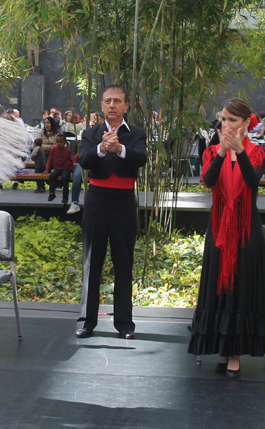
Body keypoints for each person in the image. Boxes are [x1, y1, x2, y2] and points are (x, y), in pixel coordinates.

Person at [188, 98, 265, 379]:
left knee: (241, 289)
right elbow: (209, 181)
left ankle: (235, 354)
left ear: (246, 124)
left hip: (247, 230)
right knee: (219, 288)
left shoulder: (258, 152)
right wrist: (224, 152)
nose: (226, 125)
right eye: (223, 119)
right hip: (219, 230)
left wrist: (240, 152)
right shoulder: (212, 151)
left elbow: (252, 180)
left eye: (232, 120)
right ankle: (224, 350)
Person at [76, 85, 147, 339]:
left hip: (124, 200)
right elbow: (84, 161)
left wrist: (120, 149)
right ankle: (87, 321)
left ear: (127, 106)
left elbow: (141, 158)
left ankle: (125, 324)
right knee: (92, 261)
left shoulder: (137, 133)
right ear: (102, 106)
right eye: (108, 101)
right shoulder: (91, 133)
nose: (112, 105)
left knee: (123, 262)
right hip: (96, 200)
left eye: (118, 101)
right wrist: (102, 148)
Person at [45, 134, 74, 203]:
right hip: (57, 168)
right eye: (57, 142)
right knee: (52, 176)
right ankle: (52, 193)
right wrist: (47, 170)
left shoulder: (68, 151)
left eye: (61, 142)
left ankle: (65, 197)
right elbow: (50, 160)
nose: (59, 144)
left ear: (65, 143)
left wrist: (72, 170)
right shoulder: (53, 150)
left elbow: (70, 160)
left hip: (66, 167)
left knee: (65, 177)